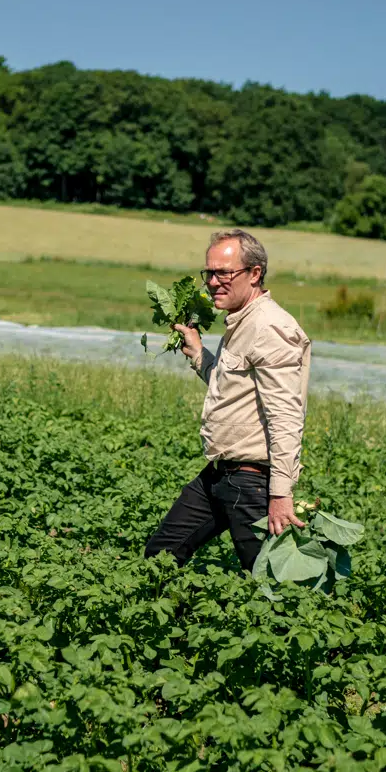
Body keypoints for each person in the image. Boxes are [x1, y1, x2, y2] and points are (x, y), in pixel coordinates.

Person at [145, 229, 312, 571]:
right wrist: (199, 354)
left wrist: (281, 493)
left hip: (251, 481)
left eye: (224, 273)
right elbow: (231, 389)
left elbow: (285, 417)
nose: (213, 282)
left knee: (272, 582)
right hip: (219, 474)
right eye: (209, 273)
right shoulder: (240, 323)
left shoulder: (270, 328)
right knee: (159, 557)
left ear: (254, 273)